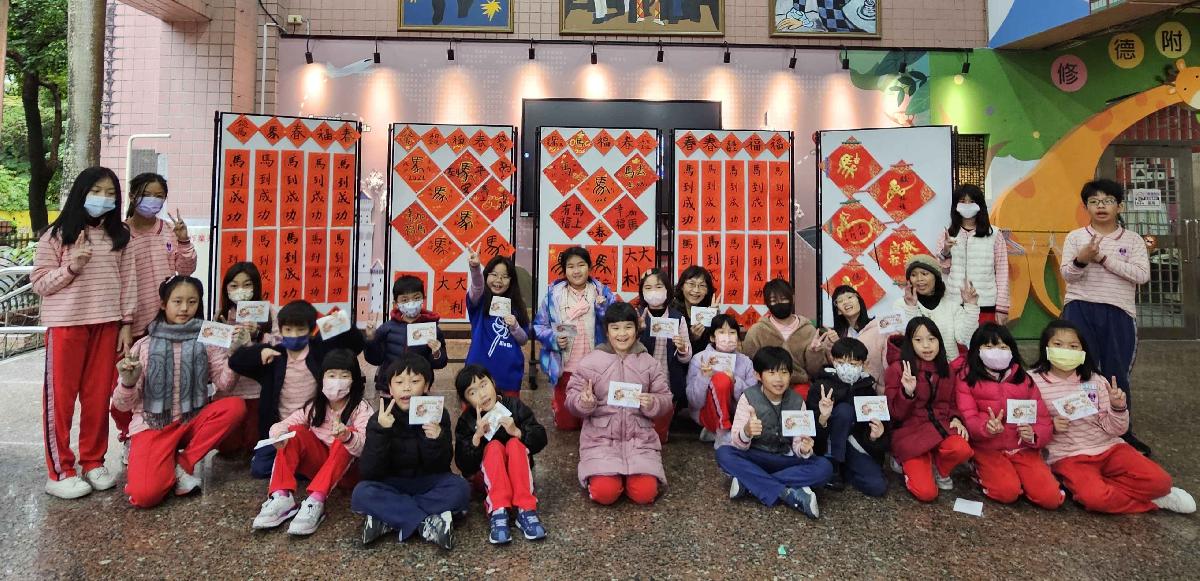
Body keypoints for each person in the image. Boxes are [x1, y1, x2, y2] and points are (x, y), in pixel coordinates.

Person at [32, 167, 137, 499]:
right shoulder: (56, 235)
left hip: (106, 325)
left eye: (110, 193)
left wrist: (126, 323)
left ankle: (93, 462)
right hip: (67, 326)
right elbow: (39, 284)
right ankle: (60, 471)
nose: (104, 198)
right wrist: (72, 266)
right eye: (96, 191)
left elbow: (128, 283)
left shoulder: (120, 236)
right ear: (81, 192)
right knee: (60, 401)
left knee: (97, 399)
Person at [1030, 320, 1194, 514]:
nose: (1066, 350)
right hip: (1069, 456)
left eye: (1073, 346)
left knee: (1161, 482)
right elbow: (1024, 425)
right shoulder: (1032, 381)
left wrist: (1118, 408)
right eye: (1058, 344)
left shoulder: (1096, 380)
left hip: (1110, 448)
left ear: (1083, 351)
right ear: (1045, 347)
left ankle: (1117, 488)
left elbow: (1116, 429)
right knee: (1095, 499)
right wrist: (1050, 426)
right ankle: (1152, 502)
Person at [111, 276, 248, 508]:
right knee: (145, 496)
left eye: (192, 302)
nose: (185, 308)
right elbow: (122, 405)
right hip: (153, 425)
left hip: (191, 420)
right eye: (177, 301)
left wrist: (234, 354)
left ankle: (182, 464)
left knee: (234, 406)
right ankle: (153, 459)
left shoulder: (208, 341)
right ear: (163, 304)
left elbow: (225, 385)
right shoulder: (143, 346)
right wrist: (128, 382)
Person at [1059, 179, 1152, 456]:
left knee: (1115, 373)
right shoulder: (1076, 237)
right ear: (1085, 206)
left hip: (1118, 311)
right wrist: (1082, 259)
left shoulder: (1133, 240)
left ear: (1119, 206)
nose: (1101, 206)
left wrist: (1103, 259)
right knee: (1079, 369)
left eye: (1108, 201)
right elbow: (1067, 275)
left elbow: (1141, 275)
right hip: (1079, 307)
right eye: (1094, 201)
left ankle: (1122, 431)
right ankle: (1080, 429)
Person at [228, 300, 365, 478]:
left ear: (310, 330)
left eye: (300, 330)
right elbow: (235, 361)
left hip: (312, 430)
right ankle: (296, 464)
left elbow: (356, 345)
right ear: (281, 330)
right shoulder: (275, 355)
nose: (294, 335)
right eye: (288, 330)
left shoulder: (319, 352)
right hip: (280, 431)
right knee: (259, 469)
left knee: (315, 462)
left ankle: (298, 464)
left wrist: (341, 321)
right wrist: (258, 353)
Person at [113, 173, 197, 460]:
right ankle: (129, 435)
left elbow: (185, 272)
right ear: (133, 195)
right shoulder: (120, 232)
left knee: (161, 386)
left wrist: (184, 241)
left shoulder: (169, 231)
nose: (154, 200)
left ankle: (161, 437)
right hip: (130, 324)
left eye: (159, 195)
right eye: (148, 194)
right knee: (126, 384)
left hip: (165, 326)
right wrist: (124, 322)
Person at [351, 354, 469, 549]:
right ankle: (426, 523)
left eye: (414, 381)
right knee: (361, 493)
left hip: (427, 481)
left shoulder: (438, 414)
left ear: (426, 386)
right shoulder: (380, 418)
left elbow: (441, 466)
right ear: (390, 389)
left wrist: (435, 439)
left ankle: (390, 518)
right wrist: (381, 432)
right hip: (392, 482)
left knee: (461, 489)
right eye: (399, 382)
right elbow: (369, 472)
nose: (406, 388)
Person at [251, 349, 374, 535]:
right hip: (320, 469)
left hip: (349, 473)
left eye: (344, 376)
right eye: (331, 375)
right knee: (293, 432)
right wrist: (278, 433)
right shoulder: (315, 407)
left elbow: (365, 446)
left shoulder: (361, 408)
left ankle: (315, 501)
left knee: (347, 435)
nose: (337, 381)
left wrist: (347, 436)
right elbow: (286, 423)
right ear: (322, 378)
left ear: (354, 380)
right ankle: (281, 496)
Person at [564, 302, 671, 505]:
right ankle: (609, 481)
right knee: (604, 493)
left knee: (645, 494)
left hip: (640, 442)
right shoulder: (590, 362)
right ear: (607, 331)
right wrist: (584, 402)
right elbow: (571, 399)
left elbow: (665, 399)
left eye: (628, 327)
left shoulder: (649, 363)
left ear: (636, 329)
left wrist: (653, 402)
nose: (622, 334)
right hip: (600, 441)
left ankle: (630, 480)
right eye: (615, 328)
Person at [954, 323, 1063, 510]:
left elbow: (1043, 419)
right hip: (987, 449)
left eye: (1003, 347)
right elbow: (968, 417)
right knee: (1007, 492)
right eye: (989, 346)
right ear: (976, 350)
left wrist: (1033, 435)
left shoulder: (1024, 379)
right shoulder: (967, 379)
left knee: (1051, 498)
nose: (997, 352)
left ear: (1012, 350)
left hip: (1022, 448)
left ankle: (1026, 481)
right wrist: (986, 427)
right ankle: (978, 471)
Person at [714, 347, 831, 518]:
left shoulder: (797, 401)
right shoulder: (748, 397)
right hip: (756, 456)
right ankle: (787, 493)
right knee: (724, 453)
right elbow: (737, 443)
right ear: (758, 375)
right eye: (771, 372)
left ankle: (750, 482)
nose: (779, 379)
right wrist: (746, 432)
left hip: (785, 459)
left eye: (784, 372)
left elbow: (799, 441)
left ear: (790, 375)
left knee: (824, 468)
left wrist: (803, 448)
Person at [453, 365, 548, 544]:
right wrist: (476, 438)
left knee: (514, 444)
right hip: (488, 480)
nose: (482, 394)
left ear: (493, 382)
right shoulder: (467, 421)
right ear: (465, 401)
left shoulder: (513, 405)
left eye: (483, 385)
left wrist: (517, 432)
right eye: (472, 392)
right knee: (494, 446)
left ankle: (526, 509)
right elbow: (463, 465)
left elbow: (541, 438)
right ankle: (498, 509)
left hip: (518, 476)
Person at [884, 317, 973, 502]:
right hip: (909, 433)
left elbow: (952, 403)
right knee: (926, 493)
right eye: (918, 340)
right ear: (910, 343)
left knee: (962, 448)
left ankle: (939, 469)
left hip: (939, 427)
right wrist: (907, 392)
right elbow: (895, 413)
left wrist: (956, 418)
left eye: (931, 339)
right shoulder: (898, 369)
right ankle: (903, 462)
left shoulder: (946, 369)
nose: (926, 345)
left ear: (939, 341)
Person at [533, 247, 616, 431]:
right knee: (566, 425)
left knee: (593, 422)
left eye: (581, 265)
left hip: (596, 368)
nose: (576, 271)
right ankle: (559, 408)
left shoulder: (602, 293)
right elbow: (539, 326)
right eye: (570, 266)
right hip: (565, 369)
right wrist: (553, 339)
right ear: (564, 270)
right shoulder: (553, 296)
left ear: (590, 267)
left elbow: (616, 324)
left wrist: (602, 310)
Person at [807, 338, 888, 496]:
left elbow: (879, 434)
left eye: (853, 364)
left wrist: (875, 437)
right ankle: (834, 464)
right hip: (828, 446)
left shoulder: (868, 389)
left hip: (853, 444)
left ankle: (846, 471)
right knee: (845, 411)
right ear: (833, 360)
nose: (846, 368)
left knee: (877, 487)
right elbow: (809, 429)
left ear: (864, 364)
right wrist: (823, 418)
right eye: (841, 362)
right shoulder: (821, 386)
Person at [214, 262, 275, 457]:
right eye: (234, 285)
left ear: (256, 286)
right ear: (226, 289)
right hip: (229, 394)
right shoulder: (220, 316)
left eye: (247, 285)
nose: (240, 290)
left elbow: (281, 346)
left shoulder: (269, 312)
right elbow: (215, 360)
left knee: (254, 444)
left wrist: (259, 335)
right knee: (228, 447)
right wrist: (232, 346)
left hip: (258, 393)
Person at [936, 184, 1009, 325]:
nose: (967, 205)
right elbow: (944, 269)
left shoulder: (994, 234)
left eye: (972, 201)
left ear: (980, 205)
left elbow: (1002, 271)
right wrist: (946, 251)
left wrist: (1002, 307)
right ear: (956, 206)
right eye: (962, 201)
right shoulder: (948, 234)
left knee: (984, 339)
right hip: (955, 304)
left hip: (985, 304)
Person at [634, 268, 692, 441]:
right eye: (648, 287)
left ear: (667, 290)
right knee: (639, 428)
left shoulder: (678, 318)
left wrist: (682, 348)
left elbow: (686, 357)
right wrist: (638, 331)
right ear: (642, 292)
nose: (654, 292)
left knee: (659, 434)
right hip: (640, 380)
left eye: (658, 287)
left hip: (668, 381)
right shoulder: (636, 315)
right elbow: (624, 350)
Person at [365, 275, 448, 396]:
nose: (411, 303)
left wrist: (436, 353)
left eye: (416, 298)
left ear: (423, 299)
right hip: (390, 388)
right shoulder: (387, 328)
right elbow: (375, 359)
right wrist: (371, 339)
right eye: (404, 300)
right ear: (396, 303)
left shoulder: (432, 329)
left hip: (418, 388)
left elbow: (440, 363)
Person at [741, 278, 825, 396]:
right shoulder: (757, 331)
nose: (779, 303)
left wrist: (815, 352)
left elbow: (815, 371)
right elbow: (748, 365)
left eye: (784, 299)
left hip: (799, 384)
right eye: (773, 300)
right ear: (766, 303)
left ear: (792, 298)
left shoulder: (808, 330)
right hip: (766, 386)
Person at [464, 249, 530, 399]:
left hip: (508, 378)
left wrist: (515, 326)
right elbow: (477, 287)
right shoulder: (479, 302)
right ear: (486, 275)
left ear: (511, 281)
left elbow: (523, 339)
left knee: (507, 414)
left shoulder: (517, 307)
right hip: (477, 378)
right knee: (476, 414)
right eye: (493, 274)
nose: (499, 280)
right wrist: (475, 268)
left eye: (505, 276)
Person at [686, 314, 755, 447]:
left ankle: (713, 432)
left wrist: (735, 381)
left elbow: (753, 397)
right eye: (721, 332)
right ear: (712, 337)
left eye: (732, 332)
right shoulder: (699, 359)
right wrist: (704, 377)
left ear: (738, 337)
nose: (727, 337)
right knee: (720, 379)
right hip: (706, 414)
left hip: (737, 416)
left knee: (725, 379)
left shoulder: (746, 362)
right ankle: (722, 432)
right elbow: (694, 402)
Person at [895, 254, 979, 359]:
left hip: (949, 365)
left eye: (924, 274)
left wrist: (971, 307)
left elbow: (964, 338)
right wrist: (910, 308)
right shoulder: (901, 304)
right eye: (913, 275)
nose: (919, 279)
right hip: (917, 366)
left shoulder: (951, 305)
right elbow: (902, 337)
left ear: (936, 277)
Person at [826, 285, 889, 394]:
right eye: (840, 301)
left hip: (877, 392)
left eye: (850, 297)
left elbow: (890, 360)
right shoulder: (834, 335)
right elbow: (833, 366)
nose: (846, 302)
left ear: (859, 300)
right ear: (838, 311)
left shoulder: (879, 327)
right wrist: (837, 344)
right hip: (846, 392)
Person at [673, 265, 718, 356]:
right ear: (682, 286)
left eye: (702, 285)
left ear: (707, 290)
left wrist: (714, 319)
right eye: (691, 284)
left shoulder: (710, 311)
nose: (696, 290)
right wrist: (691, 337)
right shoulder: (672, 311)